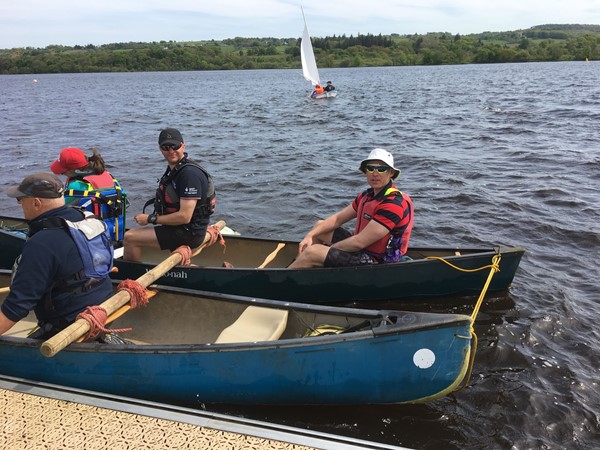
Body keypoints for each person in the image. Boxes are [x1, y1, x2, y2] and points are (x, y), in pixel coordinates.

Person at [0, 172, 113, 338]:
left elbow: (17, 306)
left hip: (71, 326)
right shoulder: (88, 219)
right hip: (105, 307)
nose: (19, 204)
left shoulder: (42, 243)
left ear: (36, 203)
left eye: (20, 199)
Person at [289, 148, 414, 269]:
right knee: (320, 227)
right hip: (361, 249)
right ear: (366, 171)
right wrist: (310, 235)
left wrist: (327, 250)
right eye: (371, 169)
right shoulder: (367, 196)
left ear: (391, 173)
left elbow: (359, 242)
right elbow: (338, 219)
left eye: (381, 169)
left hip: (377, 260)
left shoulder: (393, 204)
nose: (375, 173)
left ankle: (286, 278)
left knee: (313, 252)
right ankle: (299, 268)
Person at [123, 128, 216, 262]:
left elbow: (184, 216)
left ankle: (130, 277)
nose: (171, 151)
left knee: (130, 237)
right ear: (160, 149)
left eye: (175, 146)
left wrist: (150, 219)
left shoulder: (189, 174)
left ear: (183, 146)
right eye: (166, 147)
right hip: (182, 229)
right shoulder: (176, 169)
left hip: (189, 233)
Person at [50, 147, 127, 242]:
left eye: (63, 172)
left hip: (91, 236)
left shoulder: (76, 185)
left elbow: (57, 208)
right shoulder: (109, 176)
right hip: (115, 231)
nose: (63, 175)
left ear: (71, 171)